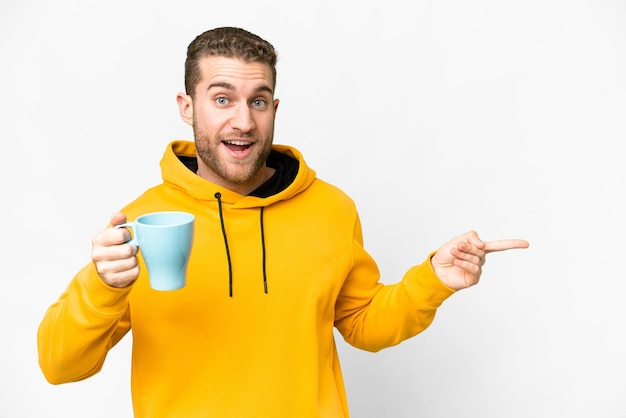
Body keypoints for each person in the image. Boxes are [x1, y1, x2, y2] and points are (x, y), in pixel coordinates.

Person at [37, 26, 529, 417]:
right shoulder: (144, 221)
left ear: (274, 108)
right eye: (222, 98)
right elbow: (59, 366)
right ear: (187, 108)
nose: (244, 121)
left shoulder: (331, 208)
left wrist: (432, 282)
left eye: (258, 101)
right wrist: (101, 285)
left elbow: (363, 323)